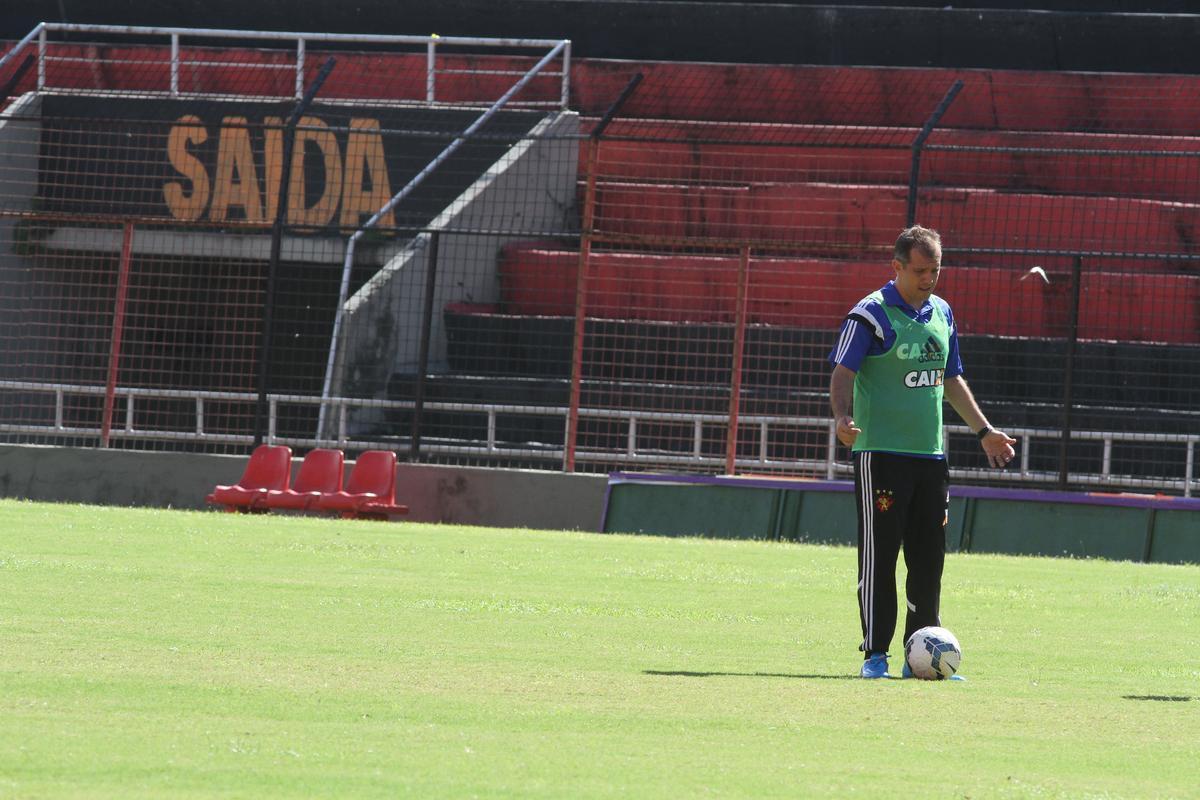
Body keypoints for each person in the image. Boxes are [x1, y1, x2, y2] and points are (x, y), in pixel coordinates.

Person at [827, 225, 1016, 679]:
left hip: (930, 458)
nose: (930, 278)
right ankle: (875, 654)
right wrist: (841, 417)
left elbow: (951, 381)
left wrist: (984, 430)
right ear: (897, 267)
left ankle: (922, 654)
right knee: (880, 555)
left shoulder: (942, 313)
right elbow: (842, 372)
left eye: (935, 269)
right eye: (920, 270)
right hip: (881, 455)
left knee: (929, 558)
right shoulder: (870, 315)